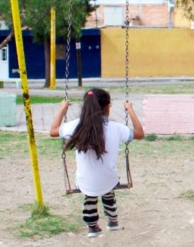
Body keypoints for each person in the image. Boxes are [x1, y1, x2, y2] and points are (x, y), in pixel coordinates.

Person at [49, 88, 145, 237]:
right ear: (107, 107)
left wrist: (62, 109)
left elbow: (53, 131)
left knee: (89, 192)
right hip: (109, 180)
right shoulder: (115, 128)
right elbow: (140, 133)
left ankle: (92, 227)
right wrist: (130, 110)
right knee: (108, 188)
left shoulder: (75, 126)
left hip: (85, 183)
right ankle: (112, 220)